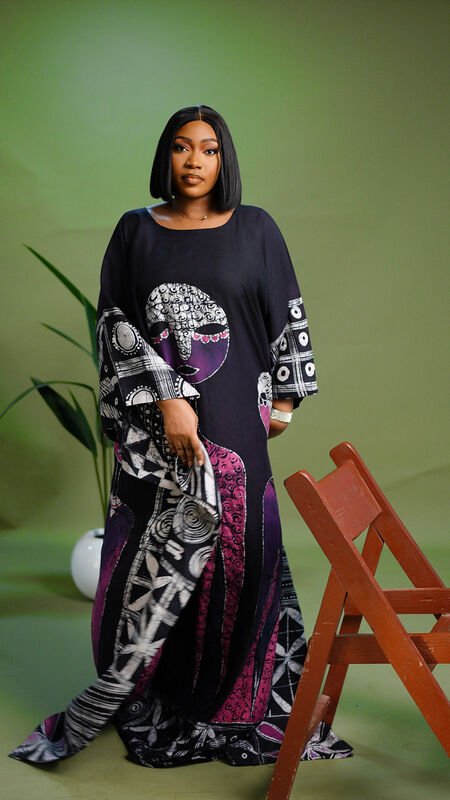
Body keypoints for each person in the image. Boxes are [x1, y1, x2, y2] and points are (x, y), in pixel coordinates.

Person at [9, 105, 352, 767]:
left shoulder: (257, 229)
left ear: (225, 160)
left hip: (238, 428)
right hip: (153, 436)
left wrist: (282, 405)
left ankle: (235, 704)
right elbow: (113, 323)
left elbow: (287, 312)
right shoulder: (135, 231)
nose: (195, 160)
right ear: (165, 155)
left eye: (209, 149)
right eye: (182, 147)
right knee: (150, 567)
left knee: (241, 563)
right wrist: (167, 397)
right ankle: (154, 695)